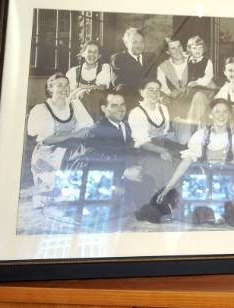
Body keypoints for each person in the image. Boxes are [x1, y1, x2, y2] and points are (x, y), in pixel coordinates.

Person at [156, 98, 234, 225]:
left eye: (225, 112)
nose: (221, 115)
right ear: (211, 114)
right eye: (217, 112)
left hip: (227, 186)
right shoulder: (202, 135)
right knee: (195, 214)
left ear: (230, 115)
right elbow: (186, 161)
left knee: (229, 216)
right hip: (204, 185)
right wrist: (168, 187)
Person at [26, 73, 94, 208]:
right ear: (50, 88)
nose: (65, 88)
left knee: (88, 153)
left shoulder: (75, 105)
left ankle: (80, 192)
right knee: (78, 154)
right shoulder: (41, 109)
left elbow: (87, 129)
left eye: (67, 84)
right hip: (48, 152)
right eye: (59, 85)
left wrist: (78, 136)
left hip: (72, 147)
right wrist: (74, 135)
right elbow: (46, 139)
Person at [84, 91, 155, 209]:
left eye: (122, 105)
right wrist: (124, 171)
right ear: (104, 108)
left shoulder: (127, 126)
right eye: (114, 105)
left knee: (151, 177)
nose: (120, 109)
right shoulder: (96, 130)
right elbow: (94, 159)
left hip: (129, 175)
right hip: (108, 178)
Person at [127, 78, 179, 190]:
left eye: (157, 90)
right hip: (145, 152)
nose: (155, 93)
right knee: (164, 167)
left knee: (180, 164)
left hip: (163, 147)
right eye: (150, 90)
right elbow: (143, 142)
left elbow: (166, 133)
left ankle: (174, 200)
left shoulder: (163, 108)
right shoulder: (137, 112)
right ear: (142, 92)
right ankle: (161, 199)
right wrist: (162, 151)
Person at [111, 27, 158, 111]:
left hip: (151, 94)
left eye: (141, 42)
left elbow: (154, 78)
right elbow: (118, 81)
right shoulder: (118, 58)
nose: (139, 45)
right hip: (130, 97)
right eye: (135, 42)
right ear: (126, 43)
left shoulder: (151, 57)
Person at [66, 41, 112, 121]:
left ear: (99, 55)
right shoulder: (73, 71)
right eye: (89, 51)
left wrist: (80, 88)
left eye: (95, 52)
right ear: (83, 53)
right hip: (79, 108)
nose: (92, 55)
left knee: (94, 93)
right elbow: (70, 94)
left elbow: (101, 88)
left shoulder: (104, 68)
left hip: (97, 107)